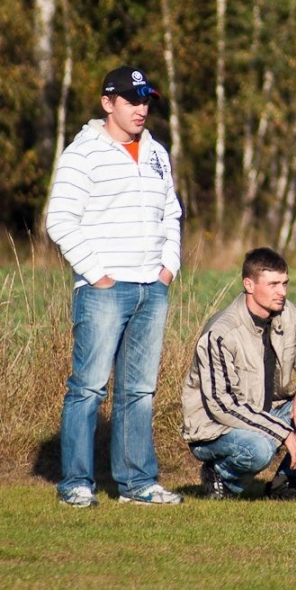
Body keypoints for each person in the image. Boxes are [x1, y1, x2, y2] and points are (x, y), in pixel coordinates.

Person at [46, 66, 183, 507]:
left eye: (146, 101)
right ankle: (76, 484)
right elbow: (59, 220)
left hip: (151, 288)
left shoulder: (157, 152)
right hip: (104, 290)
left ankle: (138, 483)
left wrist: (168, 268)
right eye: (132, 100)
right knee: (88, 388)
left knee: (139, 391)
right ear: (108, 103)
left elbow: (171, 214)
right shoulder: (82, 153)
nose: (141, 109)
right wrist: (98, 275)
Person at [181, 247, 296, 502]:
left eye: (285, 283)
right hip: (217, 429)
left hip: (264, 415)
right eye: (273, 284)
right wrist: (284, 433)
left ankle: (286, 483)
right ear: (249, 285)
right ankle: (220, 475)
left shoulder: (288, 314)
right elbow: (223, 406)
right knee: (259, 449)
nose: (282, 292)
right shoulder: (221, 333)